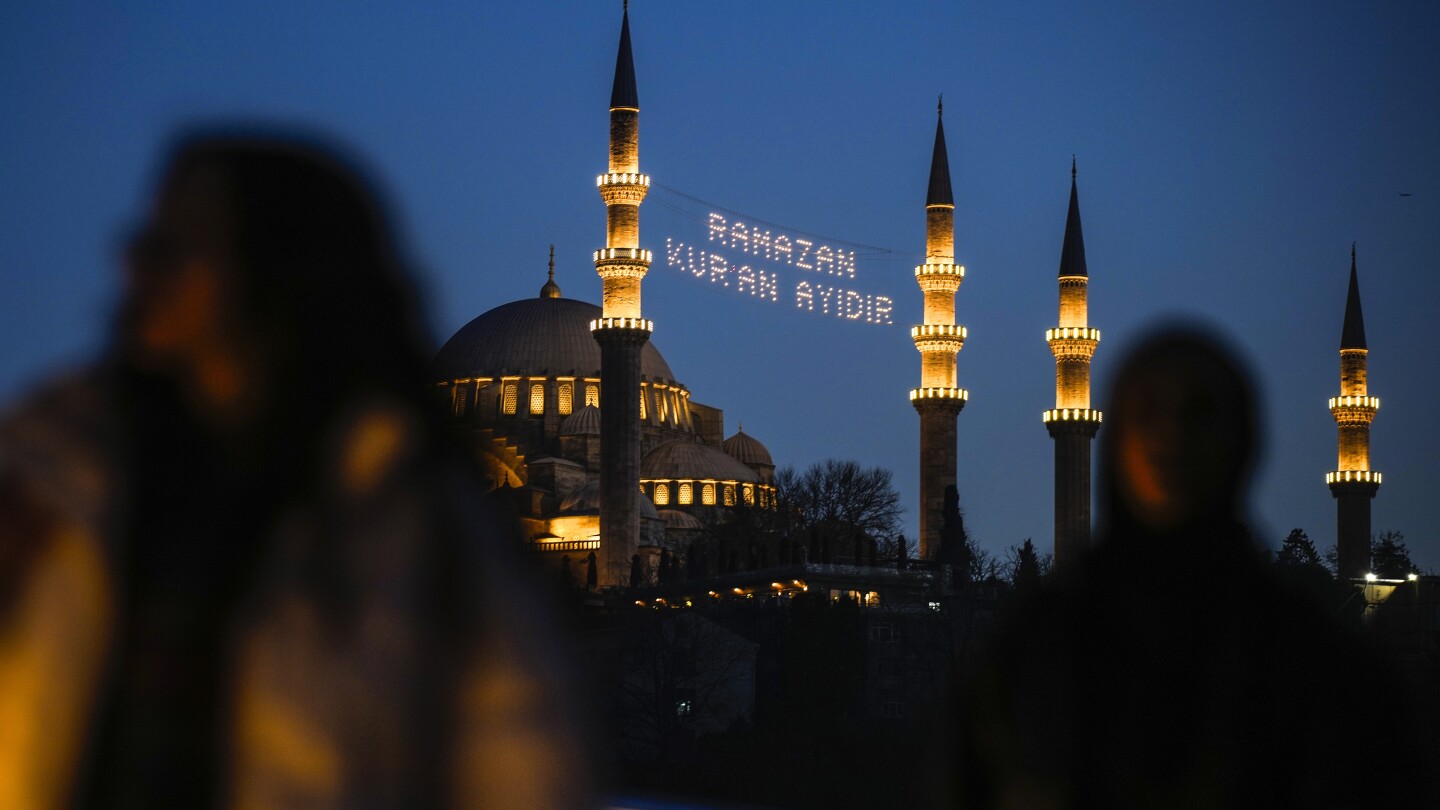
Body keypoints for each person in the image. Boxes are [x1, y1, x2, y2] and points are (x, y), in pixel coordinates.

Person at [0, 129, 593, 808]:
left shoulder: (410, 525)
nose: (136, 262)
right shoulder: (54, 477)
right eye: (148, 237)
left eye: (177, 242)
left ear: (274, 268)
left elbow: (517, 762)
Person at [952, 327, 1430, 808]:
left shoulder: (1320, 661)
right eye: (1151, 412)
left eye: (1197, 413)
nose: (1172, 435)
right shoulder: (1037, 647)